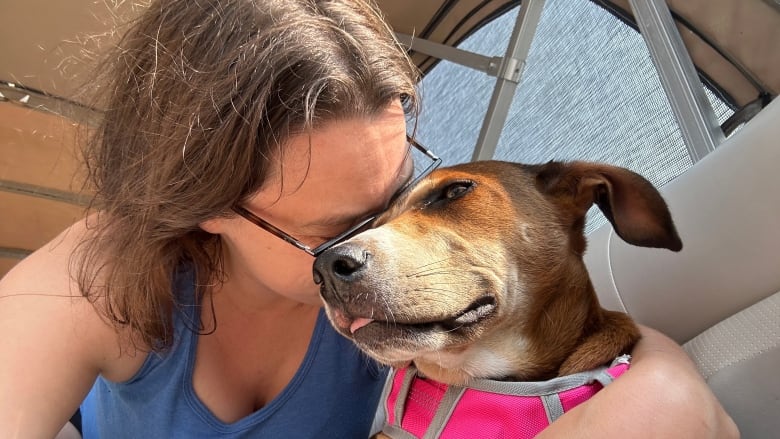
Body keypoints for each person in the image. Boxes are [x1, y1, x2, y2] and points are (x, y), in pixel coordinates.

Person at [0, 0, 738, 438]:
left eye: (399, 193)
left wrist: (663, 392)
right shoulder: (92, 277)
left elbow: (583, 335)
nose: (384, 242)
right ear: (206, 207)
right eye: (332, 234)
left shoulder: (423, 323)